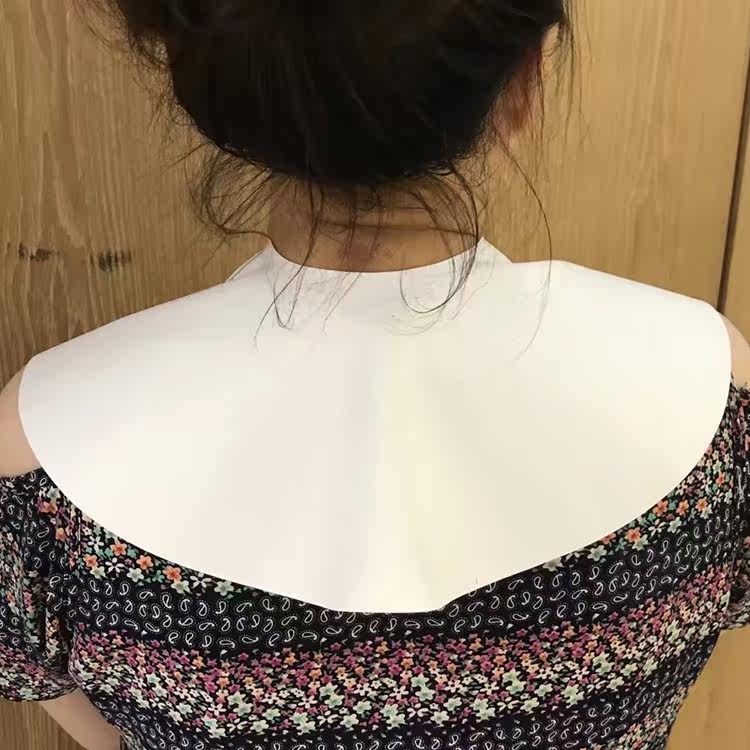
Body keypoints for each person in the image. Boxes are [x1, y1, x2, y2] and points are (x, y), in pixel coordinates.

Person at [0, 1, 748, 749]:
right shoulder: (714, 391)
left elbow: (86, 717)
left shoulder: (41, 449)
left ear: (210, 86)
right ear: (526, 81)